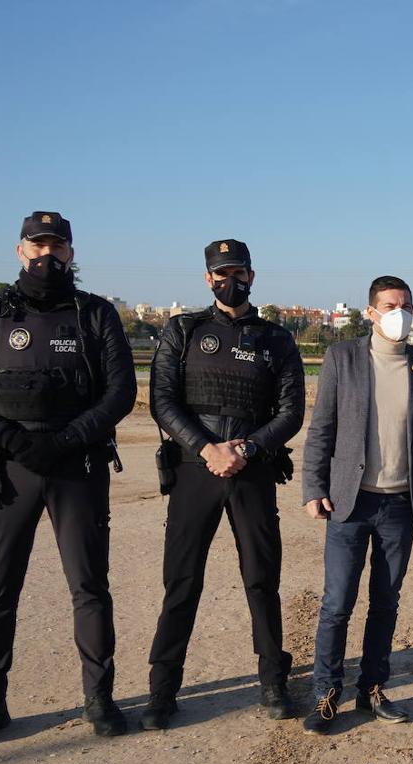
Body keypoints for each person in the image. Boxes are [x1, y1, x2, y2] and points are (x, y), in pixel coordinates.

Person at [0, 211, 136, 746]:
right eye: (37, 246)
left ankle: (100, 699)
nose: (47, 255)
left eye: (58, 246)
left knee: (90, 587)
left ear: (72, 252)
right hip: (8, 467)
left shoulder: (95, 314)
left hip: (78, 466)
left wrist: (68, 439)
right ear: (19, 251)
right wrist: (11, 440)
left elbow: (120, 394)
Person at [141, 239, 305, 729]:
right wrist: (207, 448)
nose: (228, 280)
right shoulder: (183, 330)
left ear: (252, 276)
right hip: (196, 468)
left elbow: (291, 412)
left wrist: (249, 448)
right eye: (219, 272)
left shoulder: (276, 338)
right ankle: (162, 688)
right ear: (207, 278)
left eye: (237, 271)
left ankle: (273, 681)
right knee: (182, 581)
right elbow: (163, 402)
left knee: (261, 579)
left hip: (252, 470)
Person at [300, 275, 413, 735]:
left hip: (400, 506)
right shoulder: (342, 358)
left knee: (386, 602)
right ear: (370, 312)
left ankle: (372, 689)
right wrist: (313, 488)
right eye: (389, 305)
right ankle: (326, 693)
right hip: (350, 503)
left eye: (405, 305)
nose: (398, 313)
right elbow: (321, 428)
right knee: (337, 603)